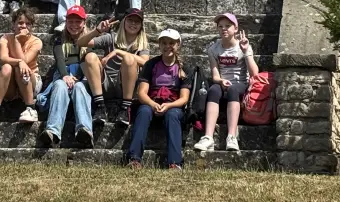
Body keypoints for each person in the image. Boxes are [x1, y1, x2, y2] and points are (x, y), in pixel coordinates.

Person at [126, 28, 191, 170]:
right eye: (164, 43)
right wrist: (153, 104)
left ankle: (175, 162)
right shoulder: (151, 65)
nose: (167, 46)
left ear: (178, 44)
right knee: (143, 111)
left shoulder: (185, 68)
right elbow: (142, 92)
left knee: (173, 115)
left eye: (171, 43)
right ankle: (134, 158)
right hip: (152, 101)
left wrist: (168, 106)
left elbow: (184, 98)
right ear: (159, 45)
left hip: (173, 105)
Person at [194, 13, 259, 152]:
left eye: (228, 26)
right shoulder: (213, 49)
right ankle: (208, 137)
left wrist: (246, 51)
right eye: (220, 26)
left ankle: (231, 136)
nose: (224, 29)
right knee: (213, 90)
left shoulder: (243, 46)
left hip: (240, 84)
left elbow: (254, 74)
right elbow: (215, 75)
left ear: (235, 29)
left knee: (233, 90)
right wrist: (221, 81)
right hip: (223, 83)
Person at [78, 9, 150, 125]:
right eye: (130, 20)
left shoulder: (142, 45)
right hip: (105, 84)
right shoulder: (111, 38)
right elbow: (80, 43)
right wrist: (97, 30)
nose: (133, 24)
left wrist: (118, 52)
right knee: (90, 56)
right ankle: (100, 106)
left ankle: (125, 109)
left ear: (141, 25)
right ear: (123, 22)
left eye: (137, 22)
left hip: (125, 87)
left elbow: (145, 62)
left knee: (129, 59)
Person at [37, 5, 94, 148]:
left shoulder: (90, 40)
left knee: (80, 87)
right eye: (71, 21)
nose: (74, 25)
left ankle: (84, 131)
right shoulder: (59, 40)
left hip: (82, 74)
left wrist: (76, 77)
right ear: (66, 22)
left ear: (84, 22)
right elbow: (59, 59)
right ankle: (53, 132)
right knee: (59, 85)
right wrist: (65, 76)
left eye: (78, 21)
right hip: (63, 74)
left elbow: (87, 59)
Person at [0, 8, 43, 134]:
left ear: (32, 26)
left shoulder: (36, 42)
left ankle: (30, 108)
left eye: (28, 23)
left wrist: (17, 40)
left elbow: (25, 61)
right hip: (12, 83)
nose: (23, 26)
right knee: (6, 67)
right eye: (20, 22)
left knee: (19, 67)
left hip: (31, 81)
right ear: (14, 24)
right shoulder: (5, 38)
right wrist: (18, 61)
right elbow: (3, 58)